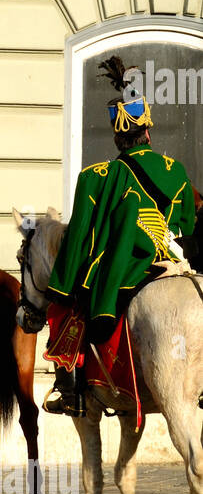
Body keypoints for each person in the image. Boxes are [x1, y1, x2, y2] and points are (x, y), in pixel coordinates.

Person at [43, 56, 196, 416]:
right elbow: (187, 225)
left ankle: (71, 389)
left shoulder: (96, 176)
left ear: (117, 136)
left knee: (70, 306)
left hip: (124, 269)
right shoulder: (177, 171)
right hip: (172, 259)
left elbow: (79, 236)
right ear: (148, 130)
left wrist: (61, 285)